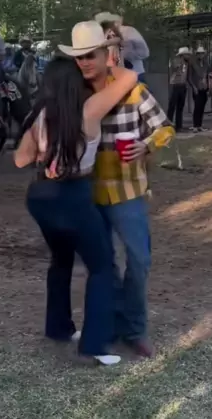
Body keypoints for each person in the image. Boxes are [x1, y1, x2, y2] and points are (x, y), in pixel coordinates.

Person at [14, 23, 138, 366]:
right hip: (74, 194)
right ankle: (94, 346)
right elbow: (130, 78)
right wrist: (109, 57)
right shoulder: (91, 108)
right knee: (101, 267)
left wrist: (44, 149)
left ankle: (58, 328)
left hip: (40, 196)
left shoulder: (41, 115)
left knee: (61, 260)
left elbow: (20, 159)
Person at [74, 22, 174, 357]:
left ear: (107, 55)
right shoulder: (76, 93)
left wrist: (146, 146)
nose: (85, 62)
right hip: (88, 193)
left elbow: (164, 128)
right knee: (103, 265)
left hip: (128, 192)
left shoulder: (134, 91)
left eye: (91, 55)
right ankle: (113, 324)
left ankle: (135, 328)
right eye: (80, 57)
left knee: (139, 260)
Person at [94, 12, 149, 82]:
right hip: (112, 75)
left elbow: (145, 53)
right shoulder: (100, 34)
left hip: (135, 72)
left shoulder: (129, 31)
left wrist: (123, 55)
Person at [187, 45, 209, 131]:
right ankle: (195, 125)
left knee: (202, 107)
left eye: (202, 53)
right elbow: (189, 77)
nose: (201, 55)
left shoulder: (206, 64)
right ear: (197, 54)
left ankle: (200, 125)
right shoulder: (192, 64)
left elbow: (208, 75)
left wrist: (208, 87)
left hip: (204, 88)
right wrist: (194, 87)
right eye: (199, 53)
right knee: (197, 107)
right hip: (196, 88)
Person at [168, 47, 189, 132]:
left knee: (180, 107)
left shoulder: (186, 63)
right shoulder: (176, 61)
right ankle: (168, 125)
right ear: (182, 55)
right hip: (175, 85)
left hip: (183, 85)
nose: (188, 56)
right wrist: (178, 64)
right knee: (172, 106)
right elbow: (173, 69)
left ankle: (179, 126)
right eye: (187, 54)